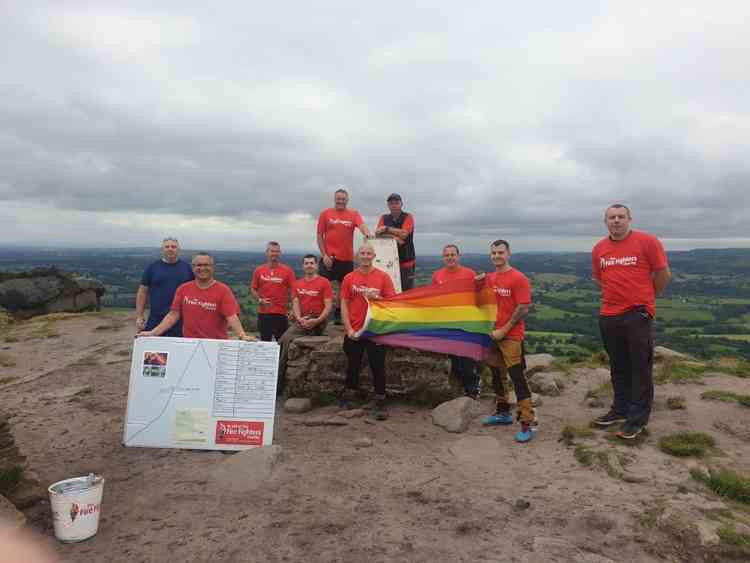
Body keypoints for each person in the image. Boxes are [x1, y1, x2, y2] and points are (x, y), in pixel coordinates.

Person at [592, 204, 671, 439]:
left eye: (621, 217)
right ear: (605, 221)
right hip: (609, 314)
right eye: (611, 217)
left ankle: (637, 419)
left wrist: (647, 299)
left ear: (629, 219)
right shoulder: (599, 248)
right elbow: (599, 279)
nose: (616, 221)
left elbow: (663, 274)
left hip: (637, 313)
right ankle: (620, 409)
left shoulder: (647, 241)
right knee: (618, 365)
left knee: (640, 367)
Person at [479, 240, 535, 443]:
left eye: (500, 252)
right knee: (496, 375)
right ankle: (503, 413)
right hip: (492, 334)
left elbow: (523, 308)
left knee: (517, 377)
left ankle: (527, 423)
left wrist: (504, 329)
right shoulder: (490, 278)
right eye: (493, 253)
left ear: (508, 254)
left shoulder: (518, 278)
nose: (496, 256)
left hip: (511, 335)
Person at [137, 252, 254, 341]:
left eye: (206, 265)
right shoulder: (183, 289)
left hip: (215, 344)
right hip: (189, 343)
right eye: (198, 265)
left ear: (212, 267)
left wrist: (242, 335)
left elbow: (231, 316)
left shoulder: (223, 290)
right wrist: (154, 332)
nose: (202, 268)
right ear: (193, 268)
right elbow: (173, 314)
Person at [339, 242, 396, 420]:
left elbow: (392, 303)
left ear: (373, 256)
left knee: (377, 365)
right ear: (358, 256)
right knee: (352, 363)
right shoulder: (349, 277)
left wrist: (377, 298)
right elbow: (344, 304)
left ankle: (380, 398)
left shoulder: (383, 277)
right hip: (355, 328)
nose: (365, 256)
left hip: (375, 329)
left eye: (368, 253)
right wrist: (348, 328)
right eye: (362, 253)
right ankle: (350, 395)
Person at [276, 254, 333, 394]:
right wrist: (299, 318)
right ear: (303, 266)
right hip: (303, 319)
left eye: (312, 263)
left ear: (316, 266)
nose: (309, 265)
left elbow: (328, 305)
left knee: (284, 339)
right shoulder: (297, 284)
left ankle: (278, 384)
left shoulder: (324, 282)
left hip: (318, 319)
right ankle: (277, 380)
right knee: (284, 340)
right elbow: (295, 304)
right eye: (306, 263)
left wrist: (318, 320)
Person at [431, 244, 480, 398]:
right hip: (446, 323)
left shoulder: (470, 273)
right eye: (447, 255)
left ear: (459, 256)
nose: (450, 257)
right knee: (452, 359)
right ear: (443, 257)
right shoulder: (437, 275)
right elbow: (433, 297)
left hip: (465, 322)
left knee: (466, 359)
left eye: (453, 254)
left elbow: (478, 295)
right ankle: (457, 389)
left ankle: (472, 390)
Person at [317, 188, 372, 321]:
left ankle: (339, 316)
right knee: (322, 287)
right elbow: (319, 236)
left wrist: (368, 234)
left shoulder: (353, 214)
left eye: (343, 199)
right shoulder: (326, 213)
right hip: (329, 258)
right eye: (338, 199)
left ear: (347, 200)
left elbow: (362, 225)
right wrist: (324, 255)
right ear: (334, 199)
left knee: (344, 289)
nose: (340, 201)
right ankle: (318, 316)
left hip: (347, 259)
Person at [135, 237, 194, 336]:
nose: (170, 249)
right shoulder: (152, 268)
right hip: (156, 317)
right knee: (154, 349)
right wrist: (140, 316)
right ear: (162, 249)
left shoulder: (187, 268)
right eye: (167, 247)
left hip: (181, 319)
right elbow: (142, 292)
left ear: (178, 250)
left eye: (173, 246)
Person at [251, 241, 296, 342]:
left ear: (280, 253)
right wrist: (259, 300)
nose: (274, 253)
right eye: (272, 251)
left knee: (282, 343)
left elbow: (294, 291)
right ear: (267, 252)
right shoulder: (259, 270)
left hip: (280, 313)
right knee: (264, 343)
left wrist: (294, 309)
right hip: (264, 313)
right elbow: (253, 289)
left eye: (277, 251)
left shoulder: (288, 271)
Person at [375, 193, 416, 291]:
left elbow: (404, 234)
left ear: (401, 204)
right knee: (390, 291)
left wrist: (386, 228)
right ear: (388, 205)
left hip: (406, 262)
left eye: (396, 203)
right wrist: (394, 238)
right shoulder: (383, 218)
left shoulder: (408, 217)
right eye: (391, 203)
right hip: (388, 261)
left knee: (407, 291)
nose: (394, 205)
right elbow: (377, 234)